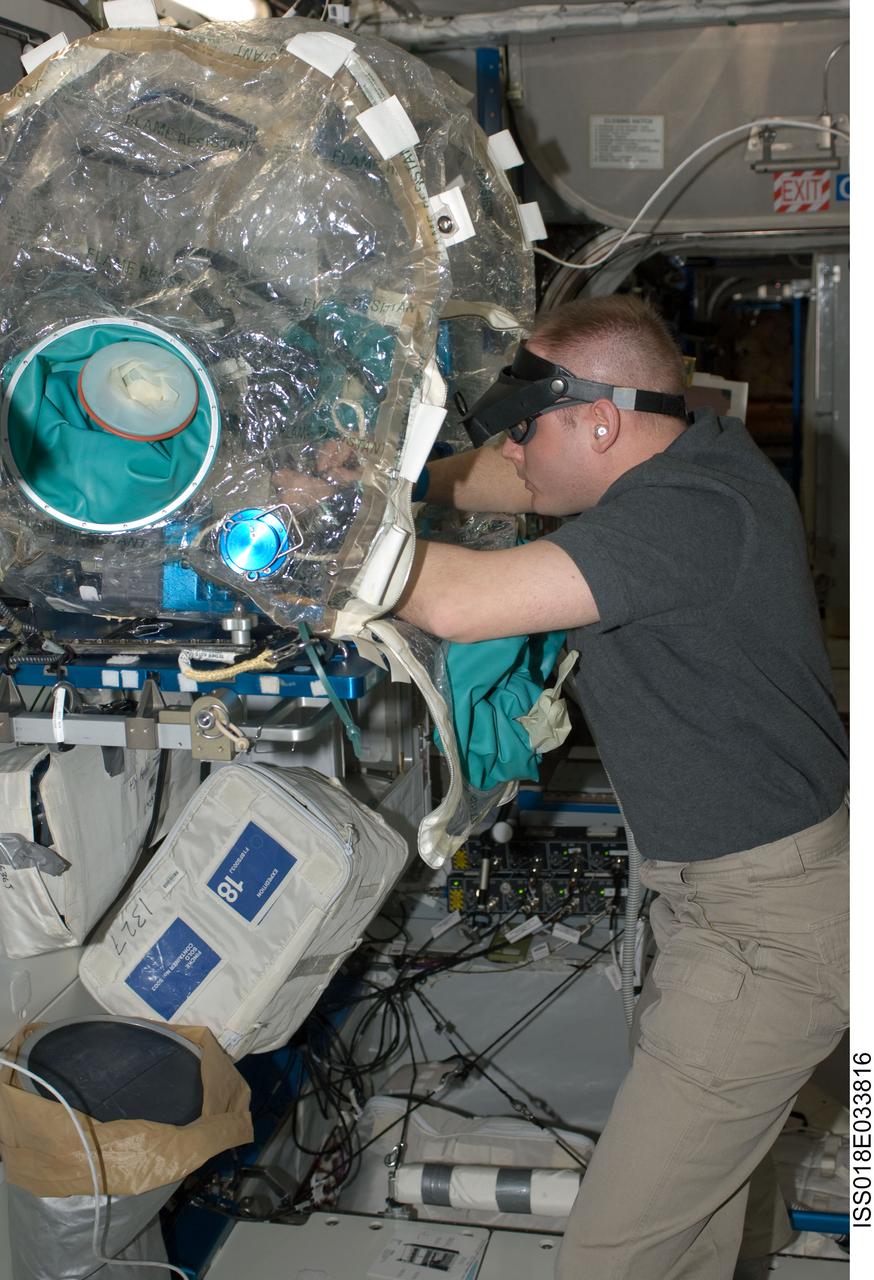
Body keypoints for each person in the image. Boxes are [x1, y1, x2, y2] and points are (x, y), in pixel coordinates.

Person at [395, 294, 849, 1280]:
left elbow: (456, 604)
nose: (512, 455)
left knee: (612, 1255)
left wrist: (308, 532)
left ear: (599, 420)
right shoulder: (694, 451)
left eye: (525, 432)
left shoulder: (687, 515)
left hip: (764, 928)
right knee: (700, 1208)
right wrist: (380, 485)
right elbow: (480, 484)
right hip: (727, 898)